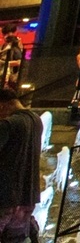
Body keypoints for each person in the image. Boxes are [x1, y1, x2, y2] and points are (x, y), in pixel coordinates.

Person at [0, 87, 43, 243]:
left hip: (5, 198)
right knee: (15, 239)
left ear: (2, 105)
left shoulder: (8, 124)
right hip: (26, 198)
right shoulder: (36, 120)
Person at [0, 29, 21, 93]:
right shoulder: (3, 47)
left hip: (8, 75)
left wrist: (4, 63)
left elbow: (19, 62)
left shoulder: (14, 49)